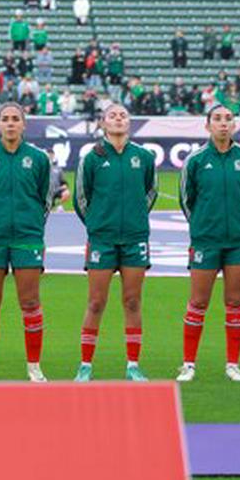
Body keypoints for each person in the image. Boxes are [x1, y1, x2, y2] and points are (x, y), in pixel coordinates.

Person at [0, 103, 55, 382]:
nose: (10, 124)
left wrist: (31, 225)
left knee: (30, 302)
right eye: (5, 119)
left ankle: (34, 366)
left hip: (27, 238)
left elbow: (45, 199)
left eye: (15, 119)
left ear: (24, 125)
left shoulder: (39, 159)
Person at [72, 104, 157, 382]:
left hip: (134, 239)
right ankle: (85, 365)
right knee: (96, 302)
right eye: (113, 115)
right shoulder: (92, 158)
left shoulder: (143, 157)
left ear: (129, 123)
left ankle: (133, 365)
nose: (118, 119)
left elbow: (150, 193)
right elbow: (81, 199)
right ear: (103, 123)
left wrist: (134, 219)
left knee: (132, 301)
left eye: (123, 115)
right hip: (102, 240)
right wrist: (98, 224)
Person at [177, 105, 240, 383]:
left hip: (238, 241)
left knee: (235, 302)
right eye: (217, 119)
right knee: (198, 302)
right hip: (205, 240)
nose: (223, 124)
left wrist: (239, 224)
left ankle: (233, 365)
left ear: (234, 125)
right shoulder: (196, 160)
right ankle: (188, 364)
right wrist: (202, 225)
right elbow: (187, 201)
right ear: (207, 126)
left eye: (228, 119)